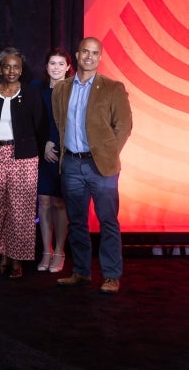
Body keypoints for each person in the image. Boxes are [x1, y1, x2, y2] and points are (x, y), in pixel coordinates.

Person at [54, 37, 132, 294]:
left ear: (100, 58)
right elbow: (59, 123)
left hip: (102, 167)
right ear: (76, 55)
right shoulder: (62, 89)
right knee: (76, 222)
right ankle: (81, 273)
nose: (89, 56)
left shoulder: (113, 87)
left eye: (95, 53)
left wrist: (107, 154)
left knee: (108, 221)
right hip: (73, 165)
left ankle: (111, 276)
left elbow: (124, 126)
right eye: (85, 51)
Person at [0, 47, 46, 279]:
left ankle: (17, 260)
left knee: (21, 211)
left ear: (21, 70)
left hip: (23, 157)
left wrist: (31, 150)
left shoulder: (31, 94)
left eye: (16, 66)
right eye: (7, 66)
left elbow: (39, 126)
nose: (11, 70)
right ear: (0, 68)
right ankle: (1, 257)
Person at [35, 48, 72, 273]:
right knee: (44, 202)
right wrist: (44, 144)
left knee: (60, 203)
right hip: (43, 153)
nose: (56, 67)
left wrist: (56, 143)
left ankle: (60, 251)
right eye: (52, 63)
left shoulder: (75, 90)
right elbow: (31, 122)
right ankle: (46, 251)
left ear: (68, 67)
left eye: (61, 63)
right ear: (46, 66)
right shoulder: (36, 90)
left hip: (66, 153)